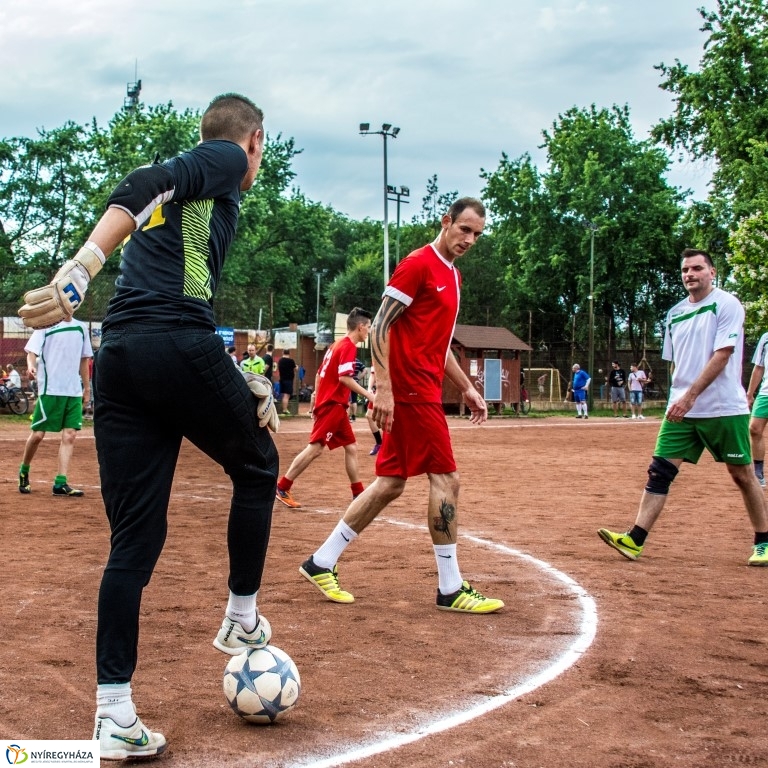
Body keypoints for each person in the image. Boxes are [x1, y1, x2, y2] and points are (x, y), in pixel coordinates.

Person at [18, 93, 280, 759]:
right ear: (252, 141)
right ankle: (242, 620)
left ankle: (113, 713)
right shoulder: (223, 157)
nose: (255, 162)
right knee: (257, 466)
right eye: (261, 149)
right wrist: (83, 266)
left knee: (133, 543)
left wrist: (228, 374)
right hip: (171, 342)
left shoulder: (195, 199)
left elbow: (169, 264)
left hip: (124, 360)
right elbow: (144, 181)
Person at [298, 198, 504, 613]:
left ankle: (321, 561)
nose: (470, 239)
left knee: (390, 483)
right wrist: (386, 388)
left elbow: (440, 345)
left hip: (422, 389)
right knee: (447, 480)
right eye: (464, 229)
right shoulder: (417, 264)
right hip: (411, 392)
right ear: (446, 222)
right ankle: (450, 588)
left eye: (477, 234)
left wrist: (466, 387)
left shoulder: (453, 276)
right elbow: (380, 328)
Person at [598, 248, 768, 566]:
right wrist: (679, 397)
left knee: (743, 474)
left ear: (712, 272)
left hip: (722, 407)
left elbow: (723, 353)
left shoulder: (727, 304)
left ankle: (764, 541)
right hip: (681, 411)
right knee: (660, 471)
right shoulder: (675, 313)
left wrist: (690, 397)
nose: (690, 274)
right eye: (685, 270)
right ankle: (635, 539)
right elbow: (675, 364)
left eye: (697, 268)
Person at [275, 308, 373, 509]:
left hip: (332, 405)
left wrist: (315, 402)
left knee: (351, 447)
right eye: (369, 327)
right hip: (333, 405)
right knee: (316, 448)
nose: (369, 331)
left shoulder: (336, 345)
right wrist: (371, 395)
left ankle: (358, 494)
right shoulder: (348, 347)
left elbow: (320, 375)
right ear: (361, 326)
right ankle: (282, 486)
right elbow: (344, 378)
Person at [17, 318, 92, 497]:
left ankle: (60, 483)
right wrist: (31, 367)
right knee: (38, 435)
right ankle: (24, 471)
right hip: (49, 389)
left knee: (70, 434)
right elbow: (31, 353)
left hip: (73, 390)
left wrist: (87, 387)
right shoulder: (46, 324)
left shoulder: (81, 327)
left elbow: (84, 360)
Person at [747, 331, 768, 488]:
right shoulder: (766, 338)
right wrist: (750, 393)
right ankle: (758, 472)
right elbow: (759, 367)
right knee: (754, 429)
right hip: (765, 392)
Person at [366, 365, 383, 455]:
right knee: (369, 415)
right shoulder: (378, 352)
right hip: (380, 390)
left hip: (395, 389)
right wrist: (369, 389)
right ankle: (379, 443)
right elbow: (373, 374)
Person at [278, 348, 297, 415]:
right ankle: (284, 410)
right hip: (288, 380)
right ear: (289, 353)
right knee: (287, 395)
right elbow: (295, 369)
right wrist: (296, 367)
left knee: (284, 395)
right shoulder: (291, 361)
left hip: (282, 379)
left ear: (283, 352)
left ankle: (284, 409)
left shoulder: (280, 360)